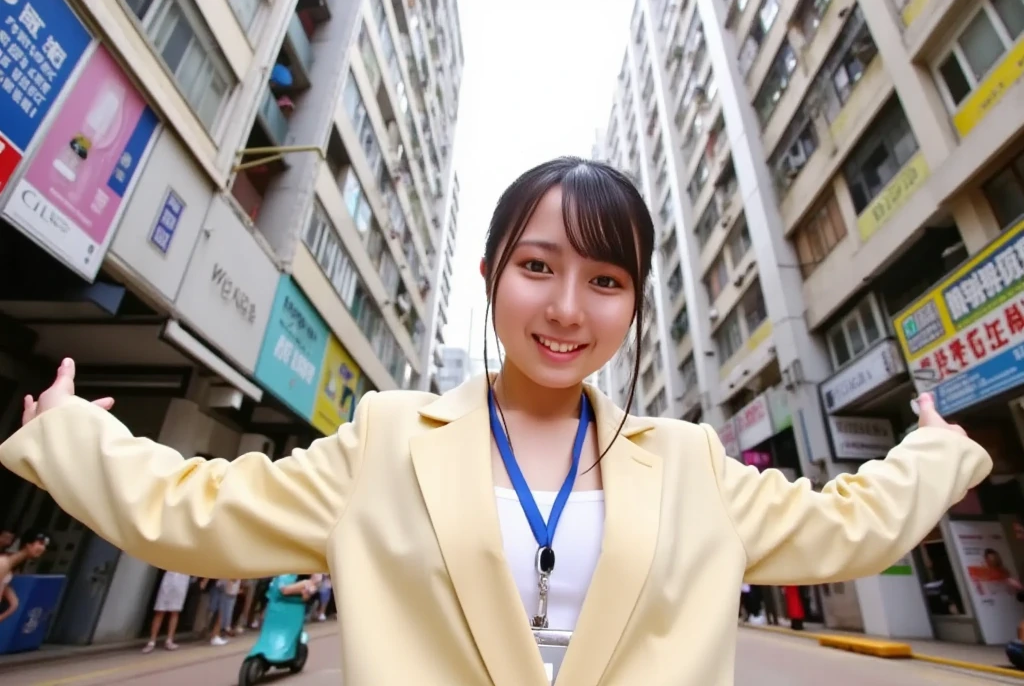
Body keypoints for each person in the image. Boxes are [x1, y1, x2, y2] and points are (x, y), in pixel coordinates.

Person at [0, 157, 993, 685]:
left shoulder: (687, 460)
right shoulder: (389, 439)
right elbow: (198, 508)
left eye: (604, 280)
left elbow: (839, 525)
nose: (567, 307)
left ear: (633, 304)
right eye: (538, 266)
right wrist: (67, 435)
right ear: (489, 277)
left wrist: (935, 456)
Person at [0, 531, 50, 625]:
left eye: (45, 546)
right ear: (27, 544)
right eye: (40, 543)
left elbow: (13, 602)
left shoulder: (9, 566)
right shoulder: (3, 563)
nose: (43, 548)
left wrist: (13, 606)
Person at [142, 570, 191, 653]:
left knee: (175, 611)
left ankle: (169, 640)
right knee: (160, 611)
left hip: (182, 582)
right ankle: (151, 641)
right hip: (169, 579)